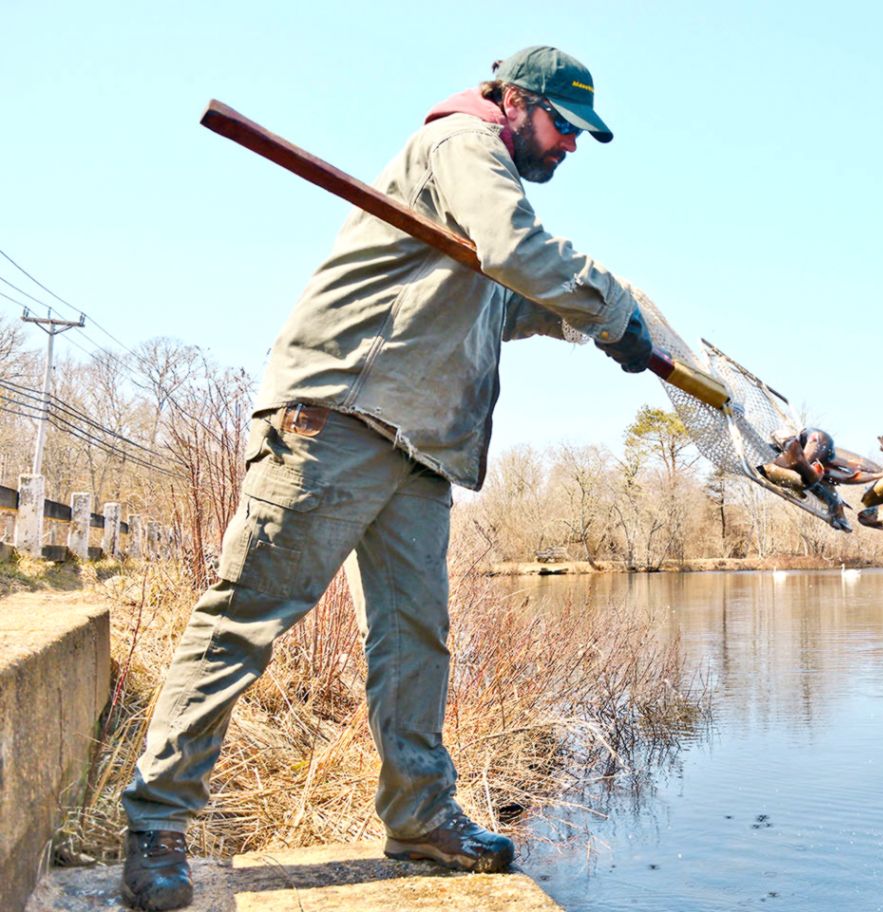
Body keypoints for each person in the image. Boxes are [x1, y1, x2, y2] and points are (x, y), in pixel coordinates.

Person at [120, 46, 654, 911]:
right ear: (513, 101)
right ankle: (155, 823)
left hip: (420, 447)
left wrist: (607, 326)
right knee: (246, 619)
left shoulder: (488, 193)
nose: (570, 147)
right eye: (562, 125)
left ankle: (420, 818)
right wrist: (609, 306)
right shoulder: (463, 147)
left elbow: (508, 296)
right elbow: (516, 250)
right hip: (340, 416)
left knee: (415, 639)